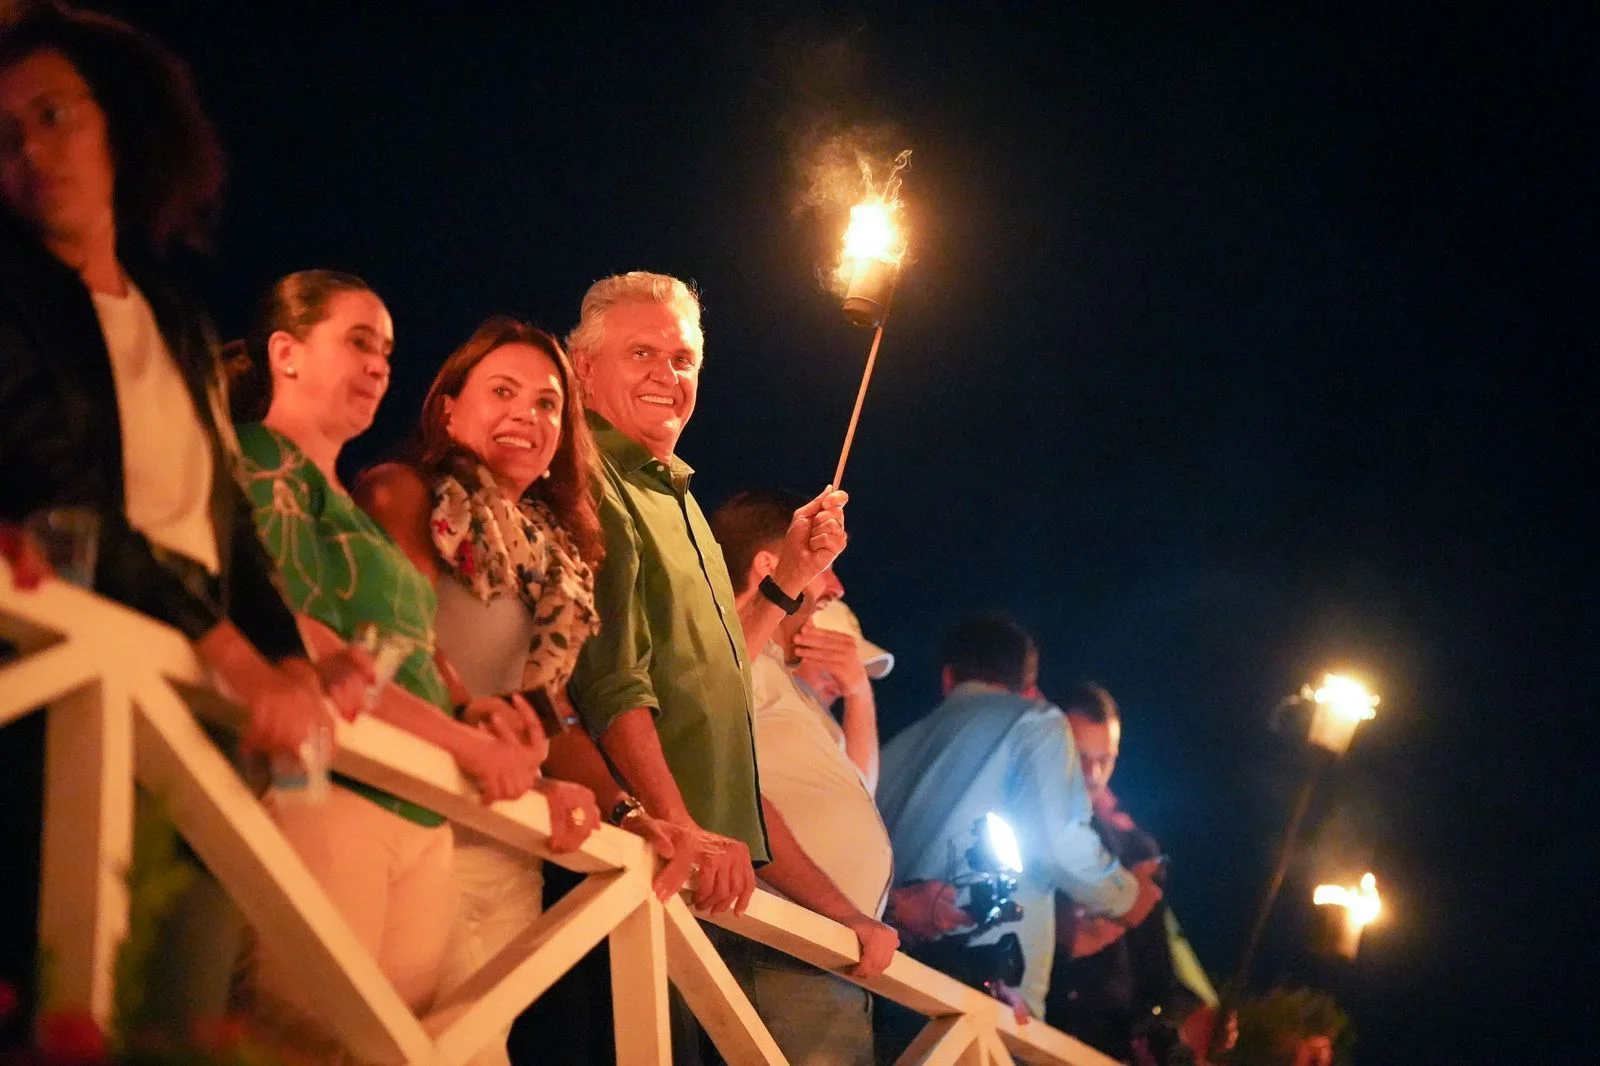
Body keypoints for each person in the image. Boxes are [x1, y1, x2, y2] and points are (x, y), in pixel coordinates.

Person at [0, 3, 364, 1040]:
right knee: (70, 1003)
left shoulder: (180, 320)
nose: (29, 148)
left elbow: (229, 527)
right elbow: (54, 490)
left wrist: (290, 661)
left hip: (201, 712)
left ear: (117, 120)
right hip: (68, 693)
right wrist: (234, 656)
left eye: (54, 114)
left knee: (180, 1009)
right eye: (4, 134)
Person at [564, 273, 896, 1061]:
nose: (665, 375)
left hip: (720, 893)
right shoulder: (593, 483)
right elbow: (614, 684)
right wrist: (677, 823)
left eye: (681, 359)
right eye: (640, 353)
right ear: (582, 369)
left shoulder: (677, 495)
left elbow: (714, 670)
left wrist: (786, 579)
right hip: (655, 876)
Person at [226, 271, 559, 1056]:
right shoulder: (261, 459)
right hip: (327, 788)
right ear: (287, 352)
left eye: (386, 350)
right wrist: (468, 748)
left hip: (415, 811)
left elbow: (397, 657)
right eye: (357, 341)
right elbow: (304, 640)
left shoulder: (352, 512)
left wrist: (477, 717)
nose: (379, 364)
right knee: (299, 1040)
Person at [355, 316, 694, 1066]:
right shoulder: (405, 491)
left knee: (476, 1050)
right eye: (502, 391)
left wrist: (628, 814)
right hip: (408, 816)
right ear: (447, 409)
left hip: (507, 846)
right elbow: (407, 646)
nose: (527, 416)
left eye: (547, 404)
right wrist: (475, 726)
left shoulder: (558, 557)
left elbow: (557, 720)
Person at [874, 614, 1163, 1058]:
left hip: (892, 987)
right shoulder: (1038, 722)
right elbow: (1062, 843)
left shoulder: (891, 749)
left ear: (948, 677)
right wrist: (1129, 897)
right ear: (1029, 684)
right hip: (988, 1003)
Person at [710, 489, 899, 1065]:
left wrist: (860, 695)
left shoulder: (784, 684)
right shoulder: (733, 654)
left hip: (829, 947)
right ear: (772, 566)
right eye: (824, 570)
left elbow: (858, 791)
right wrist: (843, 913)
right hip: (782, 939)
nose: (836, 587)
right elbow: (720, 768)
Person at [1044, 683, 1215, 1065]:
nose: (1093, 773)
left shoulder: (1136, 849)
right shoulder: (1020, 822)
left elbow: (1155, 975)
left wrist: (1182, 1022)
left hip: (1105, 1046)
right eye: (1080, 756)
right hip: (1025, 1033)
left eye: (1105, 760)